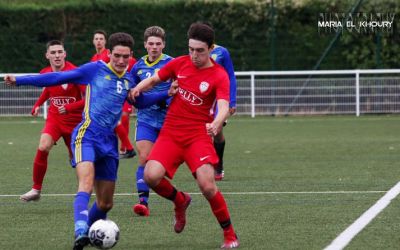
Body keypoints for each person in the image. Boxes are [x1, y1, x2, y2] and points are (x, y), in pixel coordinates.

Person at [4, 32, 173, 250]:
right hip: (87, 135)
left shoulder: (130, 78)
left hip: (110, 143)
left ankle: (85, 235)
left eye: (125, 57)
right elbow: (57, 78)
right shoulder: (94, 70)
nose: (121, 61)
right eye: (117, 56)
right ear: (109, 54)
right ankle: (80, 230)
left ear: (131, 55)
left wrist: (166, 93)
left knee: (105, 203)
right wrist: (19, 81)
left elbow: (140, 102)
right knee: (85, 183)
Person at [130, 22, 239, 248]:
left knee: (208, 186)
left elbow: (223, 104)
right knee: (150, 176)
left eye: (200, 50)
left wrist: (217, 122)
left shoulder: (218, 75)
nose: (194, 55)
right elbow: (154, 79)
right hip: (171, 132)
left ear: (210, 49)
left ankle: (229, 234)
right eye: (191, 49)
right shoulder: (179, 63)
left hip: (197, 135)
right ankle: (180, 201)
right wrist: (138, 87)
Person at [20, 40, 85, 202]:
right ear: (47, 55)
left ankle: (84, 189)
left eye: (59, 52)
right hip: (55, 120)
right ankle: (36, 189)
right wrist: (37, 105)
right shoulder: (45, 73)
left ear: (65, 54)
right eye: (53, 52)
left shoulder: (75, 73)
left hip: (75, 122)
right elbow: (48, 91)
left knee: (77, 158)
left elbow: (89, 98)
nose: (57, 55)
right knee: (43, 146)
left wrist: (70, 107)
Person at [130, 26, 173, 216]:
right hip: (146, 119)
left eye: (158, 43)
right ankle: (143, 203)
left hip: (169, 121)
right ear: (145, 45)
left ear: (163, 44)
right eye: (151, 44)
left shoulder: (172, 63)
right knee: (144, 158)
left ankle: (176, 197)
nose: (154, 47)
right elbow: (131, 90)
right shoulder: (137, 66)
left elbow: (182, 86)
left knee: (162, 166)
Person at [90, 29, 137, 159]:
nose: (99, 41)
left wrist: (134, 85)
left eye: (101, 39)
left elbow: (133, 65)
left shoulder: (112, 55)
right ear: (93, 41)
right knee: (115, 120)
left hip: (122, 91)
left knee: (123, 117)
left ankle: (126, 147)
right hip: (107, 97)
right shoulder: (94, 58)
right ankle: (125, 147)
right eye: (96, 39)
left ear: (105, 42)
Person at [210, 43, 237, 181]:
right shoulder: (195, 51)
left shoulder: (222, 52)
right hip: (202, 97)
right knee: (203, 133)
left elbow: (231, 75)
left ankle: (218, 164)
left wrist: (232, 100)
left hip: (220, 98)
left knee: (217, 130)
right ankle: (207, 166)